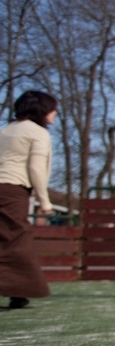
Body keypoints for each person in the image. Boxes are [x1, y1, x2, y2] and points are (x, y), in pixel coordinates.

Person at [0, 91, 57, 309]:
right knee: (17, 241)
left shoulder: (6, 130)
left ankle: (18, 292)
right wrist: (45, 201)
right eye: (52, 108)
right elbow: (35, 168)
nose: (55, 113)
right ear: (41, 110)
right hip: (14, 190)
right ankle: (20, 289)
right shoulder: (38, 133)